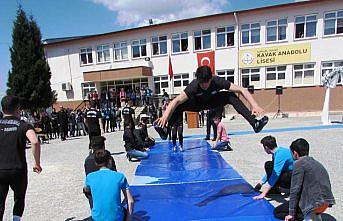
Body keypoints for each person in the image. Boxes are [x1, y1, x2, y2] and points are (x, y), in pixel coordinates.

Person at [155, 66, 268, 139]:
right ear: (197, 80)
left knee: (230, 95)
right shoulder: (193, 86)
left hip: (213, 101)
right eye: (201, 83)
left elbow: (241, 89)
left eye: (206, 82)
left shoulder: (217, 81)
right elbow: (176, 100)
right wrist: (165, 116)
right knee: (180, 105)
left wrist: (255, 105)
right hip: (197, 104)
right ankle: (166, 130)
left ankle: (255, 123)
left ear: (211, 78)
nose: (204, 85)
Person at [0, 95, 42, 221]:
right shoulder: (23, 125)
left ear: (2, 109)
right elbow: (35, 142)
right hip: (18, 168)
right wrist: (37, 163)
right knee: (19, 197)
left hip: (0, 169)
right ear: (18, 109)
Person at [273, 138, 335, 221]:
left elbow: (295, 191)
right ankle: (313, 216)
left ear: (295, 153)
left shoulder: (298, 164)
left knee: (277, 212)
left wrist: (291, 214)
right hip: (326, 201)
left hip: (314, 204)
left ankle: (307, 216)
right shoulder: (316, 163)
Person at [84, 149, 134, 221]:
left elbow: (86, 189)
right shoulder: (120, 176)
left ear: (96, 163)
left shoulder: (90, 177)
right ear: (110, 161)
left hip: (97, 218)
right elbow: (130, 201)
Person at [253, 135, 294, 200]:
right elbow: (273, 171)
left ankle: (284, 189)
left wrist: (263, 194)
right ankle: (274, 189)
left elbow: (275, 175)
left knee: (269, 165)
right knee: (269, 165)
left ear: (266, 147)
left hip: (292, 177)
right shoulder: (277, 152)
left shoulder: (279, 155)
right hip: (289, 173)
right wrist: (261, 182)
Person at [84, 136, 117, 209]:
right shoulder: (109, 158)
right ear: (103, 146)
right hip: (109, 192)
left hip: (94, 195)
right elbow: (114, 175)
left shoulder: (87, 160)